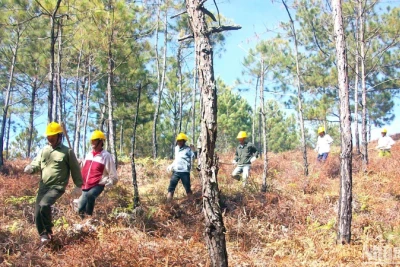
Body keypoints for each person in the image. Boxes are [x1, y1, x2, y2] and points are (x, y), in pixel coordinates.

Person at [24, 122, 83, 244]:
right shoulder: (44, 150)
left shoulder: (67, 152)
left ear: (59, 136)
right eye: (48, 137)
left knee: (44, 205)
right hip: (43, 186)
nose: (50, 139)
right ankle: (44, 236)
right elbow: (37, 163)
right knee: (37, 212)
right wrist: (31, 167)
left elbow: (75, 169)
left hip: (57, 186)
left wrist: (78, 185)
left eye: (52, 136)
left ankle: (48, 231)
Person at [78, 130, 118, 219]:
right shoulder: (89, 154)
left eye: (95, 140)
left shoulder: (106, 156)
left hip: (98, 184)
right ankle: (84, 223)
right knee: (80, 208)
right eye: (91, 140)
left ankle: (89, 217)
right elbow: (84, 168)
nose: (92, 142)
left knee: (90, 195)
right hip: (86, 185)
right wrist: (78, 162)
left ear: (101, 141)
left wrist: (110, 181)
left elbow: (114, 175)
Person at [166, 133, 194, 201]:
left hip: (184, 172)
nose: (179, 142)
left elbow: (194, 156)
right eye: (178, 141)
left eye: (181, 141)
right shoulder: (176, 149)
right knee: (171, 189)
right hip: (176, 171)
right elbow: (176, 160)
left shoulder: (188, 149)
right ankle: (168, 205)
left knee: (188, 189)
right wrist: (171, 166)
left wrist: (194, 150)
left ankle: (192, 204)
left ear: (184, 141)